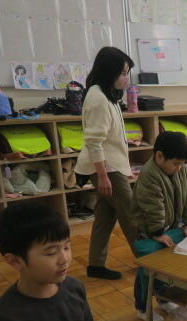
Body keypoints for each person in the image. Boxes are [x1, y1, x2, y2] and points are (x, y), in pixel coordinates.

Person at [75, 46, 137, 280]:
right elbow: (94, 141)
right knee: (131, 214)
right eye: (122, 73)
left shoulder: (107, 93)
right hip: (105, 168)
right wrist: (102, 176)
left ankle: (95, 265)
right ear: (108, 72)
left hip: (110, 165)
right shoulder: (98, 98)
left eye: (127, 72)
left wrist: (123, 168)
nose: (126, 78)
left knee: (105, 216)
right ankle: (149, 262)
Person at [130, 131, 187, 321]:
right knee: (148, 270)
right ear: (159, 156)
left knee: (168, 265)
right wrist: (158, 232)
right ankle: (142, 307)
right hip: (150, 231)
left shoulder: (178, 169)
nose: (179, 168)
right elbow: (153, 208)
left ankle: (163, 298)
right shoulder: (149, 175)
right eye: (176, 163)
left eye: (182, 164)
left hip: (169, 226)